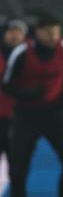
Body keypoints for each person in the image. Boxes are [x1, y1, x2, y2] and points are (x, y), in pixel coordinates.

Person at [2, 11, 63, 197]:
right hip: (26, 118)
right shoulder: (23, 54)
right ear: (37, 33)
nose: (53, 36)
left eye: (56, 32)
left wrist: (62, 97)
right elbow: (7, 85)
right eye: (48, 32)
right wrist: (28, 95)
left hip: (55, 118)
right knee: (18, 173)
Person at [1, 18, 27, 177]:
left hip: (19, 119)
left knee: (18, 167)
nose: (14, 36)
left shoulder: (30, 58)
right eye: (11, 32)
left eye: (18, 32)